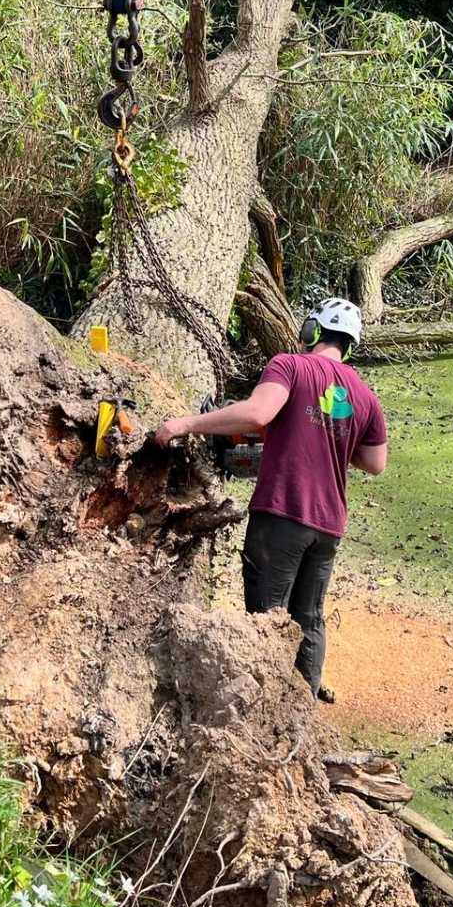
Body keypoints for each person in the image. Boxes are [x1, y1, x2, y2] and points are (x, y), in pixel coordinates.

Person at [154, 298, 387, 700]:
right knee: (309, 617)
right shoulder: (365, 396)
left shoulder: (291, 365)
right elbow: (375, 462)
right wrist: (330, 436)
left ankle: (268, 709)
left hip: (283, 512)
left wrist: (185, 424)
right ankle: (303, 708)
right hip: (328, 524)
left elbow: (258, 414)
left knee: (267, 615)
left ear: (312, 331)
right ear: (351, 345)